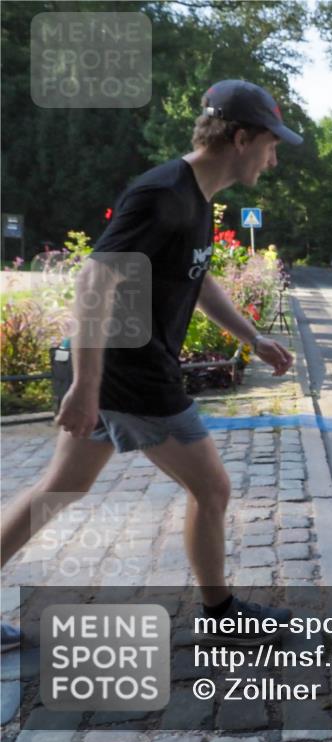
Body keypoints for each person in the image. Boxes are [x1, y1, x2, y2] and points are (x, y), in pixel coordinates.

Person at [0, 80, 301, 648]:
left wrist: (251, 336)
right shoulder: (163, 191)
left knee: (59, 488)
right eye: (270, 142)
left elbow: (197, 274)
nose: (274, 155)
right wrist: (87, 387)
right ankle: (221, 614)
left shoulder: (195, 196)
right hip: (131, 374)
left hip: (119, 371)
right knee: (212, 489)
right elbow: (95, 279)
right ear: (240, 138)